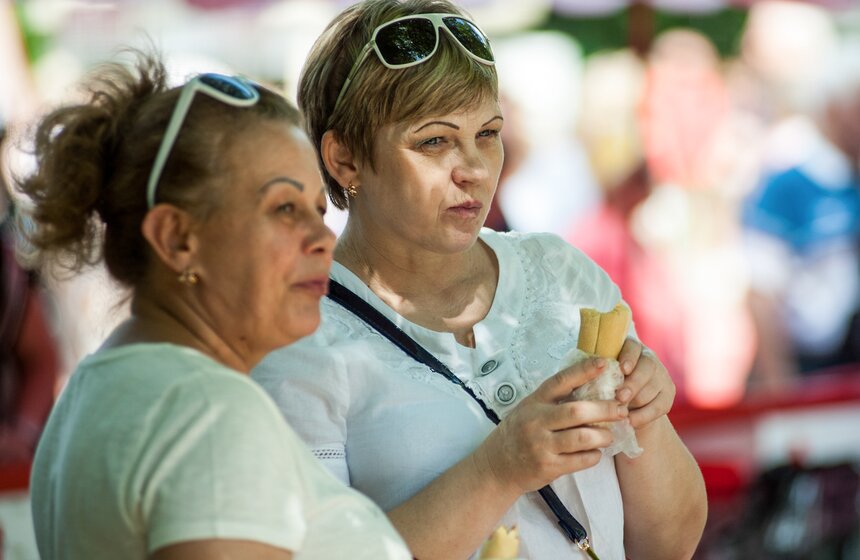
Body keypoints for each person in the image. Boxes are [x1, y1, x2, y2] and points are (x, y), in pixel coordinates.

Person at [252, 1, 707, 559]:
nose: (474, 168)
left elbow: (669, 546)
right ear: (345, 159)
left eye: (488, 133)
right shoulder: (297, 339)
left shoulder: (559, 273)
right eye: (434, 141)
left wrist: (648, 421)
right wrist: (498, 470)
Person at [17, 51, 411, 560]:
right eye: (285, 208)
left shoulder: (104, 383)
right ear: (177, 237)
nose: (322, 239)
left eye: (318, 209)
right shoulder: (206, 409)